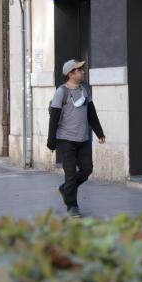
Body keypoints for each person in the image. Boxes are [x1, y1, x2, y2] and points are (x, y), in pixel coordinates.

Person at [47, 59, 105, 217]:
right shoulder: (61, 92)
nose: (83, 72)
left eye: (82, 69)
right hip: (66, 140)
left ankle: (65, 189)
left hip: (83, 139)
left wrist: (99, 133)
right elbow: (54, 118)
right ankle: (72, 205)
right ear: (71, 74)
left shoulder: (85, 90)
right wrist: (51, 141)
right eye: (79, 70)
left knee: (87, 170)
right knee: (71, 174)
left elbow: (91, 113)